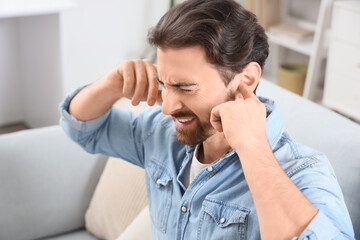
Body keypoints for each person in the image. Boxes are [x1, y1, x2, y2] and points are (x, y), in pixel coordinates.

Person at [59, 0, 355, 239]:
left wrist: (252, 146)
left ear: (247, 79)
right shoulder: (162, 134)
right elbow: (83, 129)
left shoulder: (303, 172)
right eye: (165, 84)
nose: (167, 107)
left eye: (185, 88)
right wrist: (112, 84)